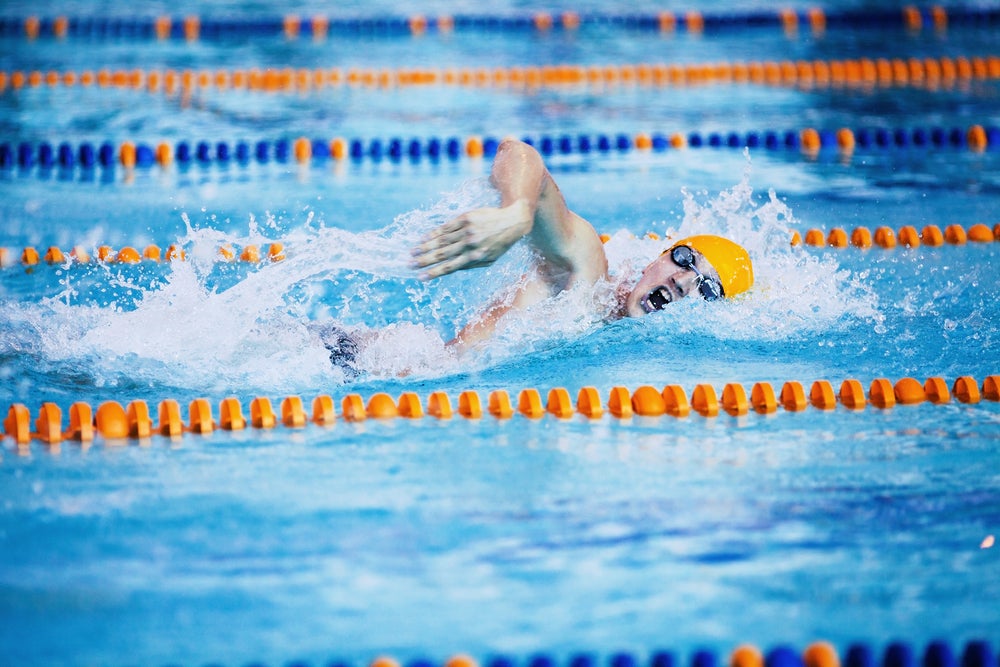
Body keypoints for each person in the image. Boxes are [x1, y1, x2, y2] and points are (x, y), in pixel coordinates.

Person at [410, 138, 755, 353]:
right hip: (374, 361)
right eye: (684, 259)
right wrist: (516, 214)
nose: (683, 280)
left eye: (706, 288)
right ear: (657, 259)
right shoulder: (587, 276)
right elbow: (518, 153)